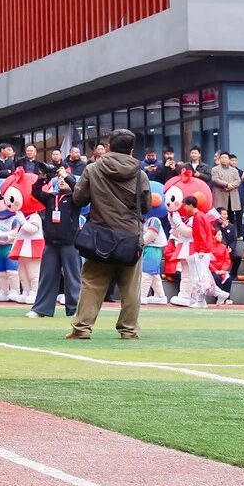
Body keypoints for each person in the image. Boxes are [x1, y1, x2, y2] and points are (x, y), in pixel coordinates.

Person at [68, 130, 151, 339]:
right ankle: (128, 330)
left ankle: (82, 328)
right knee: (131, 288)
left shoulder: (93, 168)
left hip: (100, 235)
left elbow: (79, 199)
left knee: (92, 283)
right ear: (131, 150)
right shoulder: (140, 174)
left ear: (109, 147)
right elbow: (146, 206)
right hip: (130, 236)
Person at [29, 163, 82, 319]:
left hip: (70, 243)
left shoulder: (75, 198)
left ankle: (75, 309)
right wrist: (44, 177)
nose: (61, 181)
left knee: (73, 277)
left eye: (64, 179)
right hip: (51, 243)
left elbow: (80, 191)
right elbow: (35, 191)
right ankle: (41, 309)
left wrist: (67, 176)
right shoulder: (51, 197)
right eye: (60, 179)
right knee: (47, 276)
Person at [212, 152, 243, 225]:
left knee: (231, 214)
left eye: (225, 158)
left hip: (231, 194)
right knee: (220, 214)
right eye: (222, 158)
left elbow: (238, 181)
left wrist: (231, 186)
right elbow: (215, 179)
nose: (224, 159)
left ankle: (231, 229)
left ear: (229, 159)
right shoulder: (215, 169)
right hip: (220, 194)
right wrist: (227, 184)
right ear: (219, 159)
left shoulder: (234, 170)